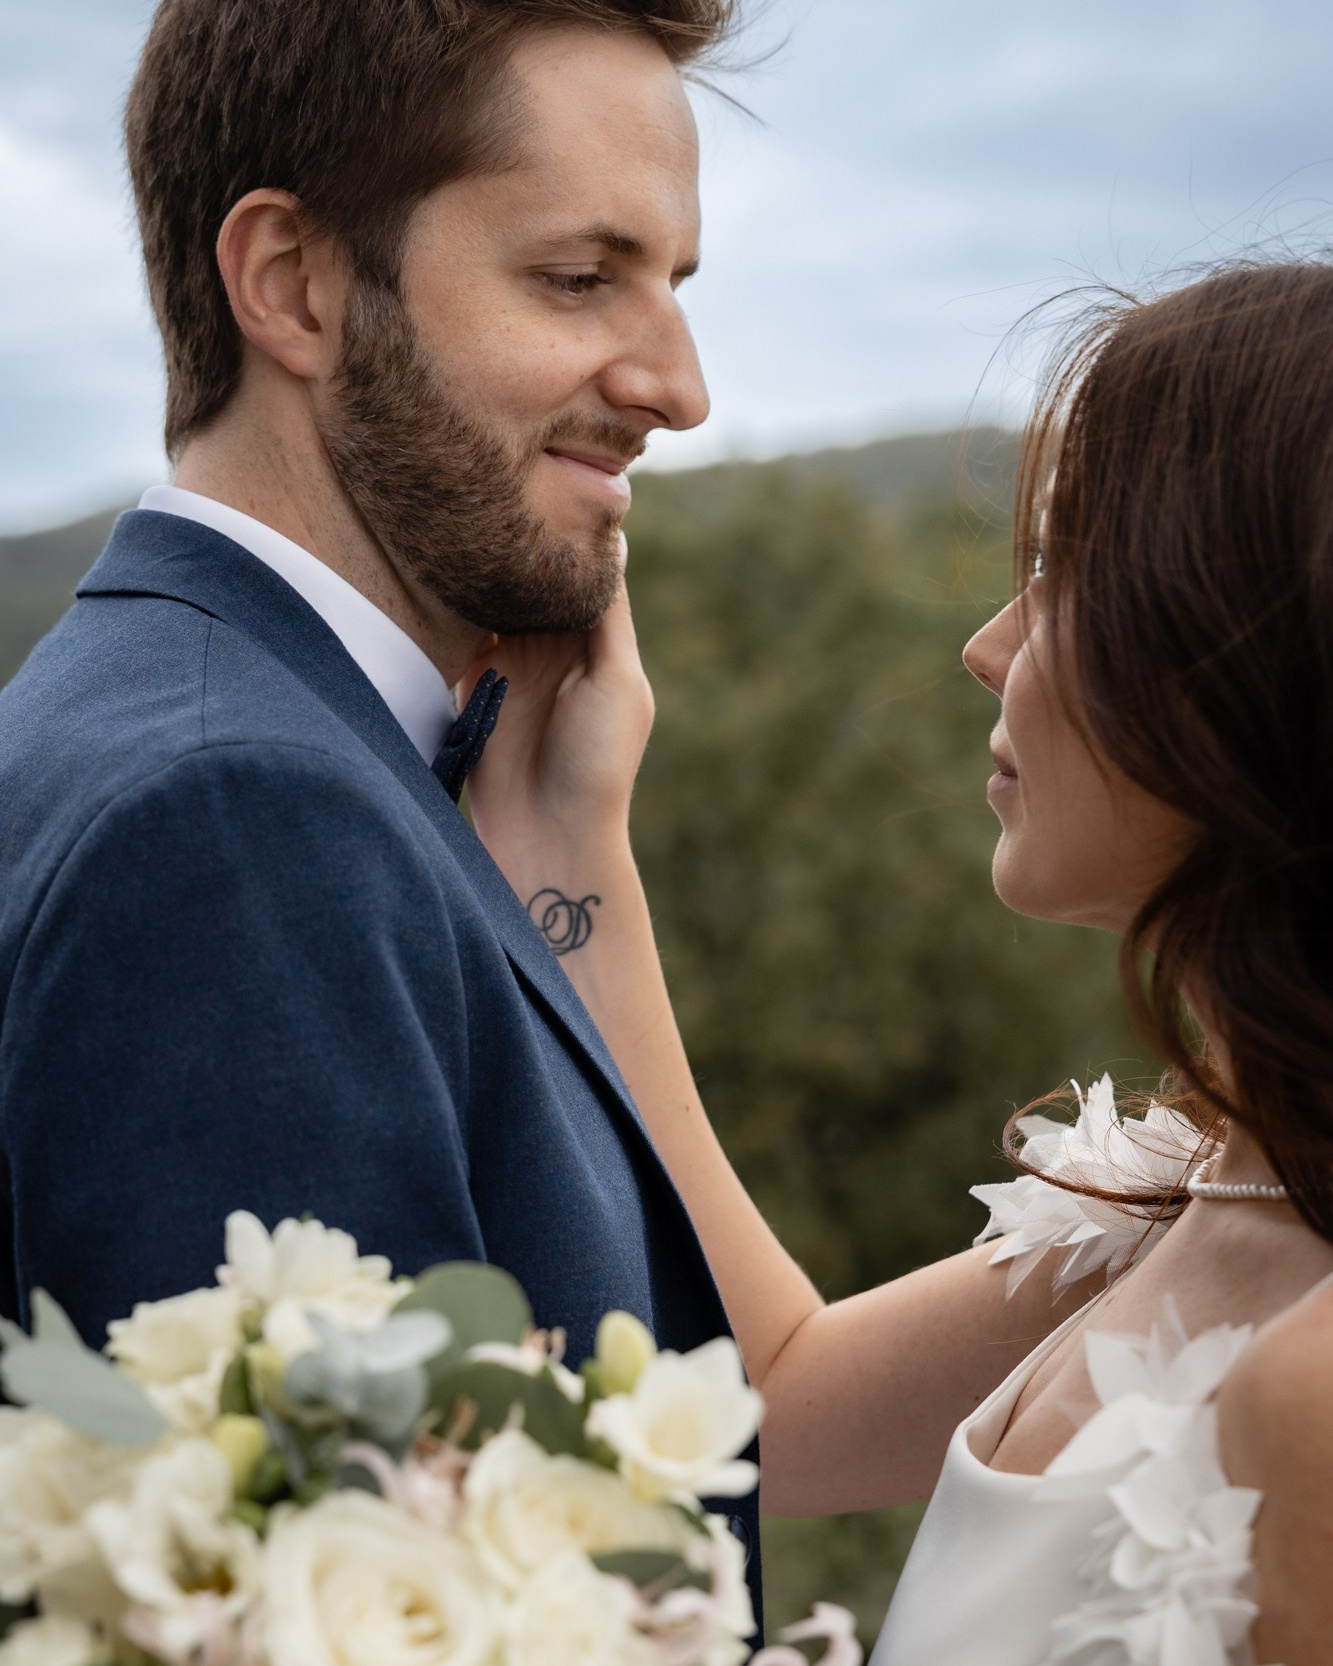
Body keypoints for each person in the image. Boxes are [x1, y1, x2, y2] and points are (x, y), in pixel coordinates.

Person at [0, 0, 779, 1599]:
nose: (678, 386)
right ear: (292, 283)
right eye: (580, 277)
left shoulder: (192, 730)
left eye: (674, 285)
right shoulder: (237, 821)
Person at [465, 260, 1333, 1665]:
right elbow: (768, 1394)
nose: (989, 647)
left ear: (1251, 655)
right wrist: (569, 830)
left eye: (1063, 576)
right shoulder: (1181, 1191)